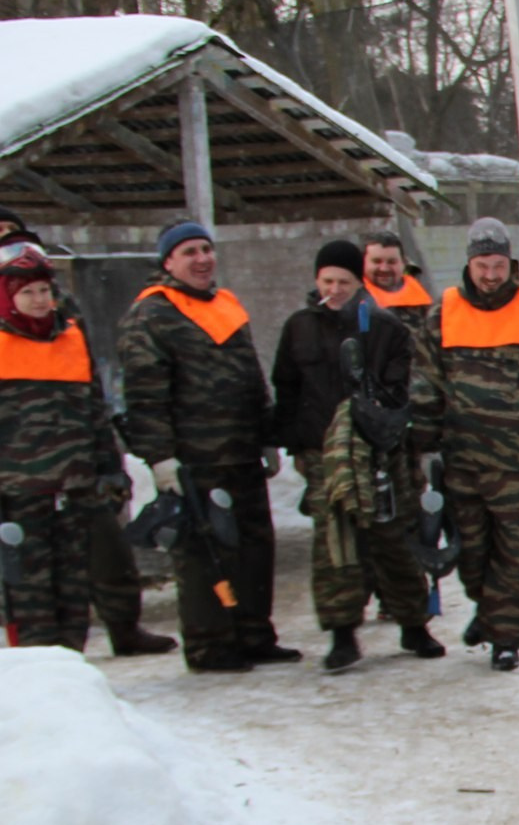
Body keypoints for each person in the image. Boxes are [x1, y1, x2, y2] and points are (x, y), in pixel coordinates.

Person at [114, 220, 297, 672]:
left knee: (254, 546)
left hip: (242, 454)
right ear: (168, 262)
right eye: (189, 252)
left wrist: (266, 435)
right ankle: (210, 644)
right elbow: (144, 396)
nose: (202, 260)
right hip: (195, 460)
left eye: (206, 250)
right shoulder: (151, 315)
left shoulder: (226, 304)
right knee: (205, 554)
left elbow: (251, 376)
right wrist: (160, 458)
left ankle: (254, 633)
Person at [408, 217, 519, 672]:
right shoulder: (442, 313)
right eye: (483, 266)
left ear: (511, 263)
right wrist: (423, 447)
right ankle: (488, 612)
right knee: (472, 553)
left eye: (499, 266)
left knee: (518, 555)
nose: (491, 275)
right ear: (469, 264)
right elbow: (425, 384)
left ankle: (507, 637)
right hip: (462, 463)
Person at [269, 239, 443, 672]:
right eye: (327, 281)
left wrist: (387, 426)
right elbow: (286, 387)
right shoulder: (299, 328)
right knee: (336, 545)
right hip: (323, 452)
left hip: (379, 450)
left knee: (393, 539)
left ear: (358, 282)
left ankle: (414, 624)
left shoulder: (384, 327)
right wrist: (294, 444)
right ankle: (342, 633)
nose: (334, 290)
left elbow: (403, 387)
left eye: (343, 282)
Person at [0, 242, 123, 651]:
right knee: (30, 596)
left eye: (44, 291)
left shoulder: (71, 339)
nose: (39, 300)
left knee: (74, 591)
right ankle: (39, 676)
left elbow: (94, 409)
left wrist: (109, 466)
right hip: (20, 495)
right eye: (27, 293)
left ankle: (72, 669)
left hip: (75, 489)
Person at [359, 230, 433, 329]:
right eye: (377, 261)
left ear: (404, 263)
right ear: (363, 263)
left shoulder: (425, 302)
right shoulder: (350, 300)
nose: (384, 269)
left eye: (392, 262)